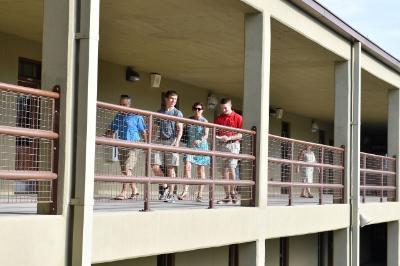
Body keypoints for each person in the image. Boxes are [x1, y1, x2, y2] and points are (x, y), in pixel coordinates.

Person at [106, 95, 147, 200]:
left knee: (127, 168)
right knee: (125, 171)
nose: (122, 107)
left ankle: (124, 192)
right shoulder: (118, 116)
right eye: (121, 104)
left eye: (125, 105)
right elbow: (111, 129)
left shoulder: (136, 116)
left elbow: (143, 131)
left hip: (134, 144)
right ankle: (135, 189)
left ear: (129, 105)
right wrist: (103, 137)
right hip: (122, 144)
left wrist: (146, 145)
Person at [152, 90, 183, 203]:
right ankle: (165, 188)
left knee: (170, 168)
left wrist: (177, 141)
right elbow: (155, 127)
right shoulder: (160, 112)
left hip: (172, 141)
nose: (174, 101)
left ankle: (171, 193)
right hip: (159, 141)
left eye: (175, 99)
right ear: (166, 99)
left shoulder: (177, 113)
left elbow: (180, 129)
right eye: (171, 98)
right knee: (155, 166)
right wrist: (151, 141)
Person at [178, 102, 210, 202]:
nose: (197, 110)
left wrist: (200, 140)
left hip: (201, 147)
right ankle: (185, 192)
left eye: (199, 109)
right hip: (190, 146)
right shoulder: (189, 119)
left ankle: (200, 194)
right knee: (187, 166)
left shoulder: (205, 121)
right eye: (195, 108)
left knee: (200, 170)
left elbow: (206, 135)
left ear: (202, 110)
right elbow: (182, 129)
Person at [214, 98, 243, 204]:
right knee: (223, 171)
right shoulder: (218, 118)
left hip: (233, 145)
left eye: (225, 108)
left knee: (231, 168)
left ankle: (233, 192)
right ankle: (227, 196)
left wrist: (229, 138)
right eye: (222, 108)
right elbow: (215, 132)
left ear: (231, 106)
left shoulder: (238, 117)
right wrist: (219, 138)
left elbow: (241, 134)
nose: (224, 110)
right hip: (221, 145)